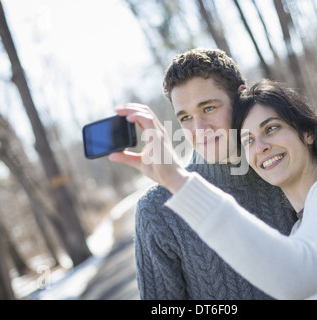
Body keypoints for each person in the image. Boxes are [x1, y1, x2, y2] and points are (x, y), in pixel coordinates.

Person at [110, 78, 317, 299]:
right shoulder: (301, 227)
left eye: (271, 128)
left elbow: (297, 276)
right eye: (248, 140)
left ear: (307, 132)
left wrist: (177, 180)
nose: (262, 148)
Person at [110, 49, 297, 300]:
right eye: (186, 117)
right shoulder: (157, 209)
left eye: (208, 108)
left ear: (240, 98)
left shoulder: (284, 169)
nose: (199, 129)